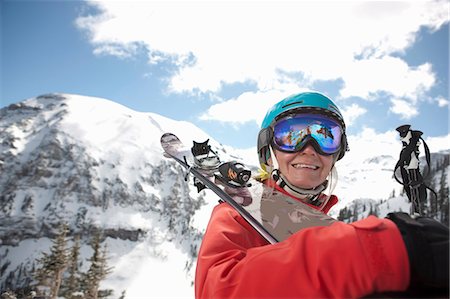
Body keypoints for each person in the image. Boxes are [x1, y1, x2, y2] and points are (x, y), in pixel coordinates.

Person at [195, 91, 449, 298]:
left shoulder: (327, 225)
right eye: (291, 136)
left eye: (325, 136)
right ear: (267, 148)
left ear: (337, 153)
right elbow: (216, 290)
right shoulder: (235, 213)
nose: (309, 150)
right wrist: (373, 251)